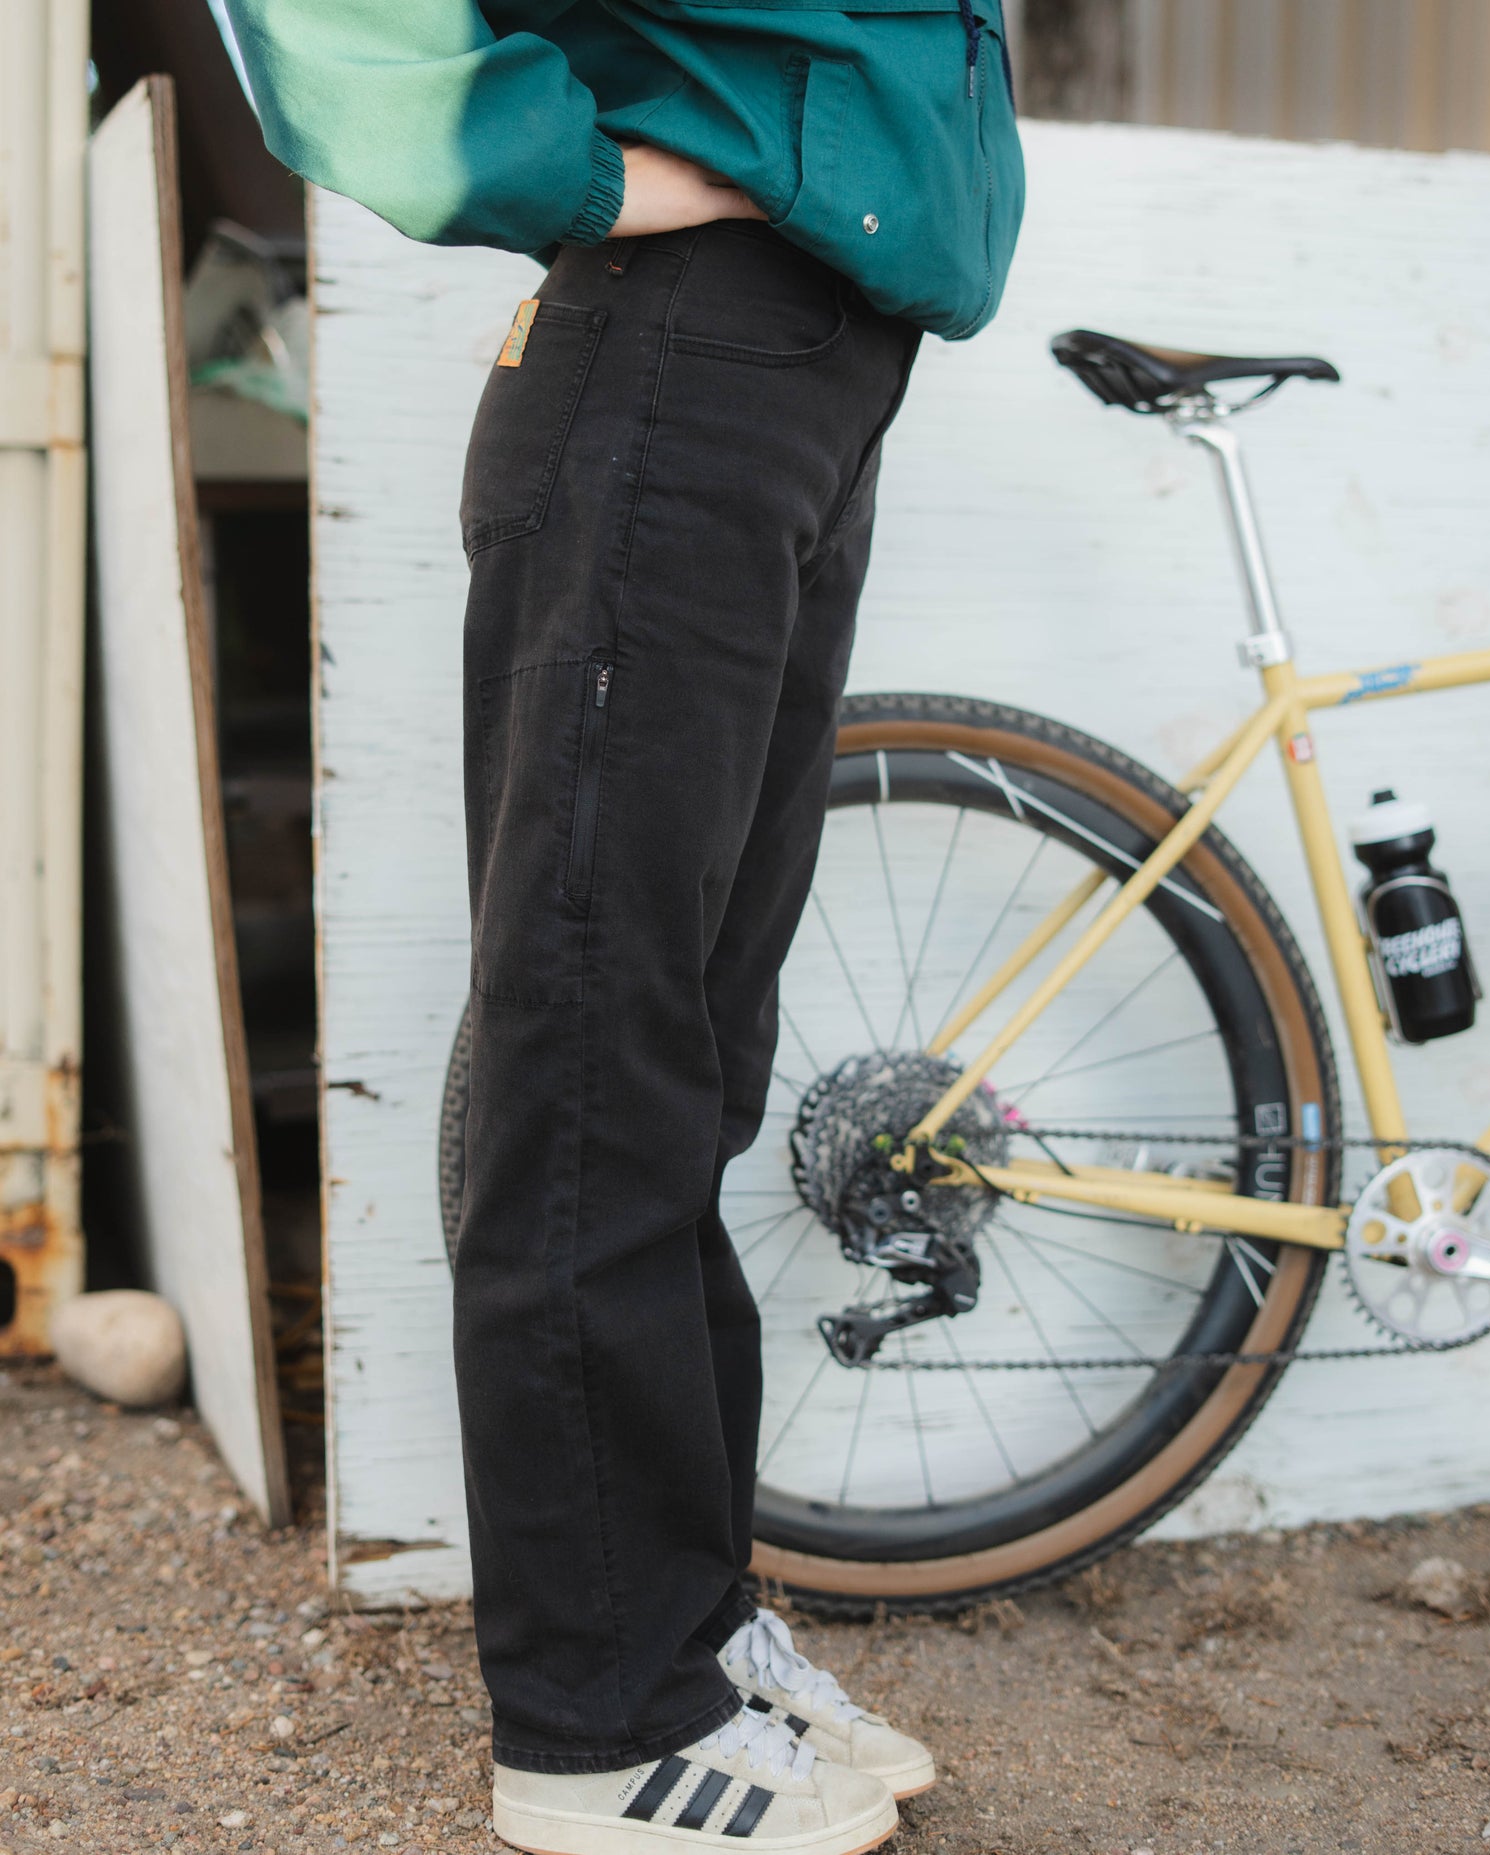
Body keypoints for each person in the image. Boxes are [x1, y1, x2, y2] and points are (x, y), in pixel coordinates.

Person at [223, 1, 1024, 1848]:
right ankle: (594, 1732)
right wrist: (576, 171)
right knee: (598, 1050)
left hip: (805, 375)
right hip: (682, 357)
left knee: (689, 1064)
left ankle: (684, 1628)